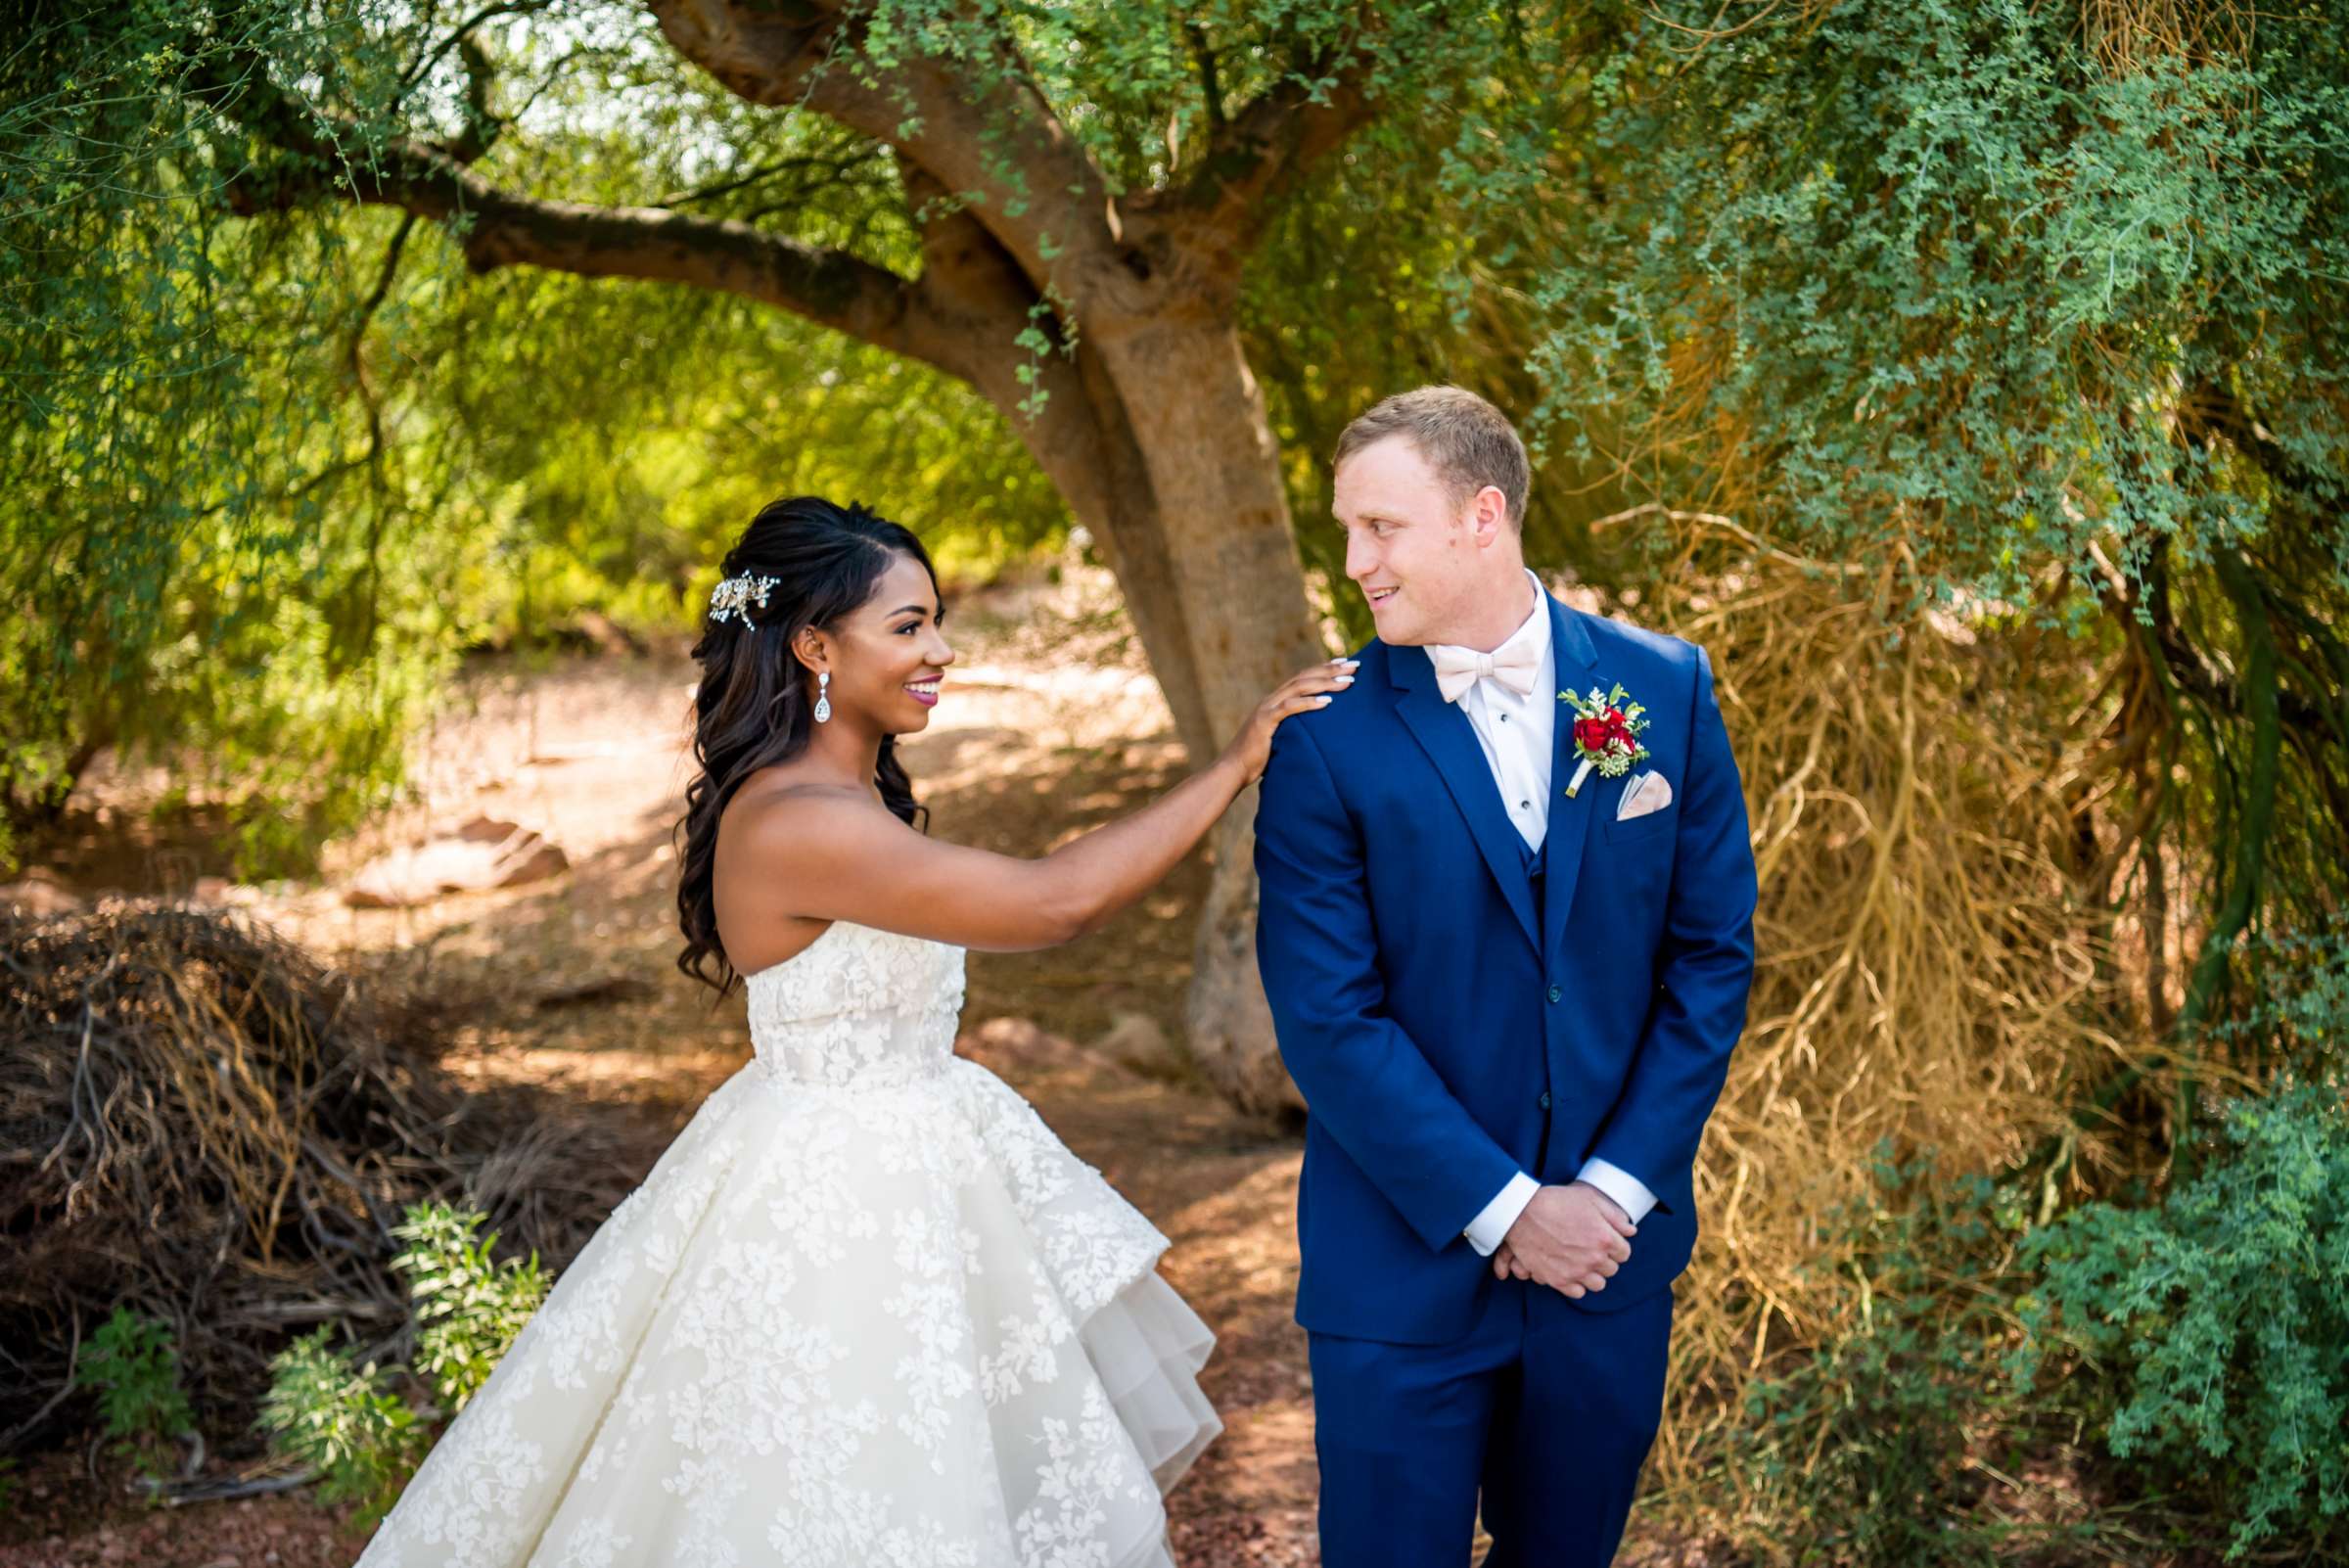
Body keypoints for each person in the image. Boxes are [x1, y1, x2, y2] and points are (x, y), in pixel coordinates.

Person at [356, 494, 1352, 1568]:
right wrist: (1236, 759)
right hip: (838, 1208)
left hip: (891, 1173)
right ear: (815, 644)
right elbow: (1054, 902)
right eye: (910, 626)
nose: (943, 651)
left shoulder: (837, 802)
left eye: (938, 622)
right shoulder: (800, 826)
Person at [1253, 386, 1759, 1568]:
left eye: (1380, 528)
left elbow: (1709, 961)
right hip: (1400, 1281)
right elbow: (1328, 1021)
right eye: (1344, 530)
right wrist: (1510, 1210)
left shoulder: (1663, 690)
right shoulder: (1322, 742)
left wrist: (1614, 1196)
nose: (1354, 562)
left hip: (1607, 1273)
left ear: (1483, 516)